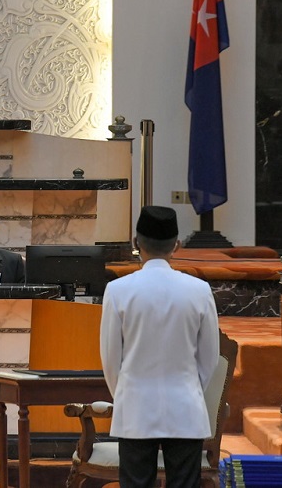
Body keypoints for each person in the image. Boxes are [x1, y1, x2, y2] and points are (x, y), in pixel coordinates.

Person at [100, 205, 219, 488]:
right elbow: (209, 358)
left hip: (135, 406)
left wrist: (125, 393)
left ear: (135, 244)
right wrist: (189, 388)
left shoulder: (118, 290)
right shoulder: (199, 290)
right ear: (176, 246)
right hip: (185, 407)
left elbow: (110, 357)